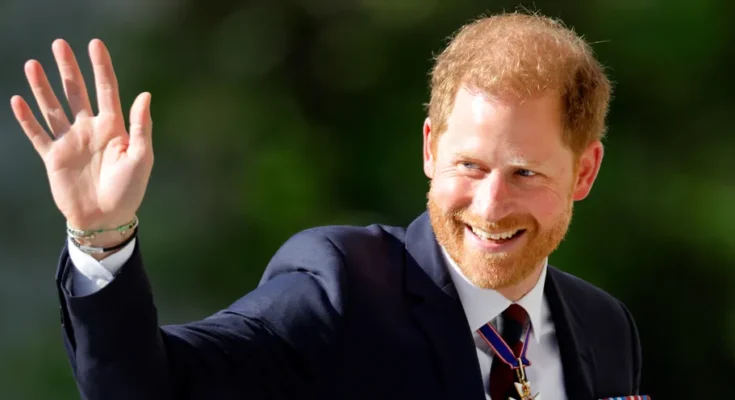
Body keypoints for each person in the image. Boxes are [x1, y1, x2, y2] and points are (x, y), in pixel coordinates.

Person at [11, 11, 646, 400]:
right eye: (469, 166)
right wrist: (102, 237)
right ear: (430, 147)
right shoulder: (341, 287)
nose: (491, 203)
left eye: (525, 172)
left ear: (584, 170)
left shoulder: (604, 325)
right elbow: (154, 389)